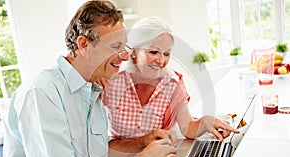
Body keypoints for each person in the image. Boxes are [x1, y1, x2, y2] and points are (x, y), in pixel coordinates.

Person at [3, 2, 177, 157]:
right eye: (115, 46)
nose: (126, 55)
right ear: (84, 45)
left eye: (124, 46)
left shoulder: (92, 89)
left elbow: (97, 153)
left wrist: (141, 143)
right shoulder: (42, 93)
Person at [102, 16, 239, 142]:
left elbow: (187, 127)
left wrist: (204, 122)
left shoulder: (172, 83)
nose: (161, 60)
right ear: (133, 51)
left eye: (166, 53)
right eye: (153, 52)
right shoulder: (111, 79)